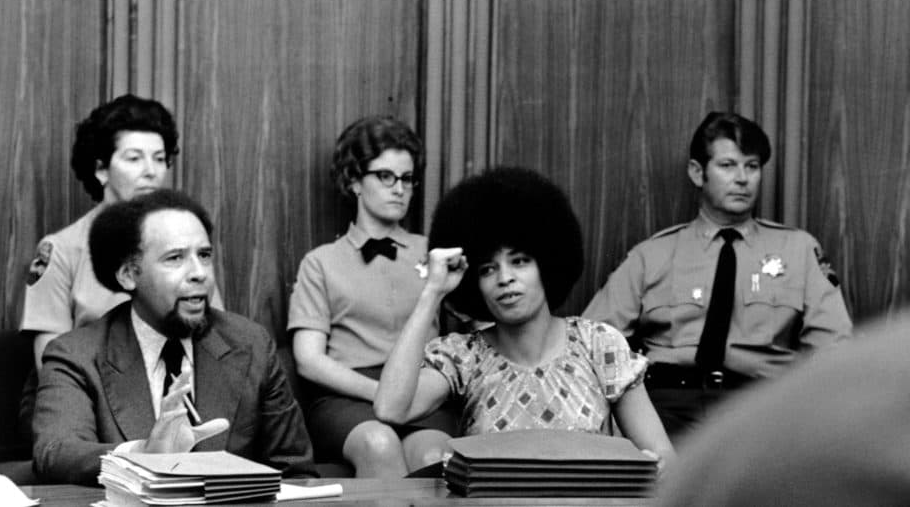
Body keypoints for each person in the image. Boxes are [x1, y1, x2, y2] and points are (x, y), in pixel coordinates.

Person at [374, 167, 675, 471]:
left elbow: (664, 459)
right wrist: (433, 292)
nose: (505, 278)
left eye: (519, 262)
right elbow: (390, 409)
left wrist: (649, 468)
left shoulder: (598, 344)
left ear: (547, 262)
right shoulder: (464, 357)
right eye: (488, 269)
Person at [582, 111, 852, 440]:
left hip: (761, 409)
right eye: (728, 165)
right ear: (698, 173)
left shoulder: (798, 251)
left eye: (751, 166)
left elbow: (835, 349)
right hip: (664, 408)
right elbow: (592, 343)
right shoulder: (652, 255)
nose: (742, 178)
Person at [32, 189, 315, 485]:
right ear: (129, 275)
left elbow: (295, 469)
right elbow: (55, 452)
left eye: (204, 256)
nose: (199, 273)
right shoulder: (75, 354)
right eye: (175, 258)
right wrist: (142, 453)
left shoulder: (251, 343)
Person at [287, 116, 457, 478]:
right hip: (346, 399)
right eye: (385, 176)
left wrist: (411, 394)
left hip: (421, 394)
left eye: (407, 179)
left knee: (433, 453)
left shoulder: (435, 253)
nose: (399, 189)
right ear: (353, 181)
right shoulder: (321, 262)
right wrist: (380, 392)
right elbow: (308, 360)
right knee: (378, 443)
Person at [21, 94, 223, 368]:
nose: (151, 171)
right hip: (82, 394)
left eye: (159, 158)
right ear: (101, 169)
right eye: (134, 159)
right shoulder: (61, 249)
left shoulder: (186, 240)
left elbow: (216, 336)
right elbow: (50, 362)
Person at [656, 315, 905, 507]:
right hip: (668, 396)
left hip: (760, 396)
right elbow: (616, 332)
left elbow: (833, 344)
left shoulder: (798, 250)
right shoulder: (651, 256)